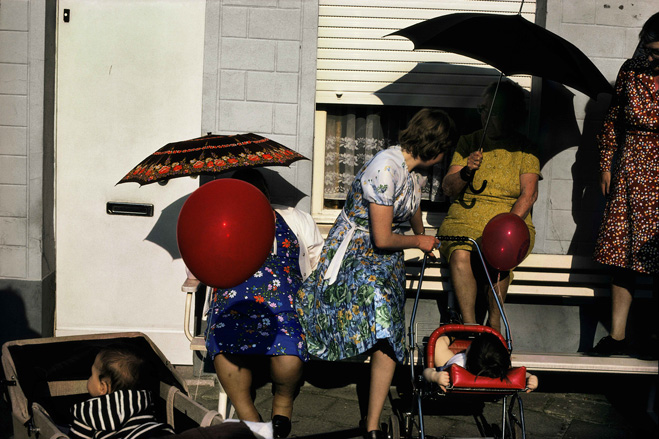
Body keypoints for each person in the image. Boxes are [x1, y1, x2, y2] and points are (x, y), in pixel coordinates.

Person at [296, 108, 458, 439]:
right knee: (369, 325)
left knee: (388, 336)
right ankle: (289, 378)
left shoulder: (411, 171)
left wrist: (425, 235)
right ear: (434, 146)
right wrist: (418, 240)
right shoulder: (385, 168)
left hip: (386, 261)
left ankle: (371, 426)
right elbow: (382, 238)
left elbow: (412, 208)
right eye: (445, 148)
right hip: (357, 253)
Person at [205, 169, 323, 438]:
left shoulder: (294, 219)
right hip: (233, 306)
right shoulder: (221, 222)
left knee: (290, 356)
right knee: (224, 344)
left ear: (266, 195)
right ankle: (250, 417)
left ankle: (283, 403)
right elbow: (200, 263)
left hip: (282, 306)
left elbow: (317, 261)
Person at [439, 80, 541, 333]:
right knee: (461, 253)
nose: (483, 116)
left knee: (500, 255)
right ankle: (470, 326)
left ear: (510, 115)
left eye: (491, 111)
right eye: (481, 109)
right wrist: (465, 171)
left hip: (509, 219)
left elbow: (528, 196)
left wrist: (505, 226)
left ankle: (494, 323)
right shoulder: (468, 142)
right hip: (465, 218)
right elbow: (448, 189)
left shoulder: (525, 148)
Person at [589, 12, 659, 357]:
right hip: (631, 167)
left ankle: (655, 338)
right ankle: (617, 337)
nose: (654, 57)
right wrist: (605, 165)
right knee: (622, 255)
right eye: (650, 49)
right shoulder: (629, 72)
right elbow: (613, 120)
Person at [70, 346, 256, 439]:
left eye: (91, 375)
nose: (88, 379)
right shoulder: (144, 399)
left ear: (103, 387)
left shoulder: (86, 413)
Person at [422, 332, 538, 393]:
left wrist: (435, 376)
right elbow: (515, 373)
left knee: (439, 343)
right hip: (486, 391)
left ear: (468, 352)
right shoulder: (498, 369)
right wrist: (529, 377)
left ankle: (454, 334)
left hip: (455, 371)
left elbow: (427, 372)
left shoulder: (458, 365)